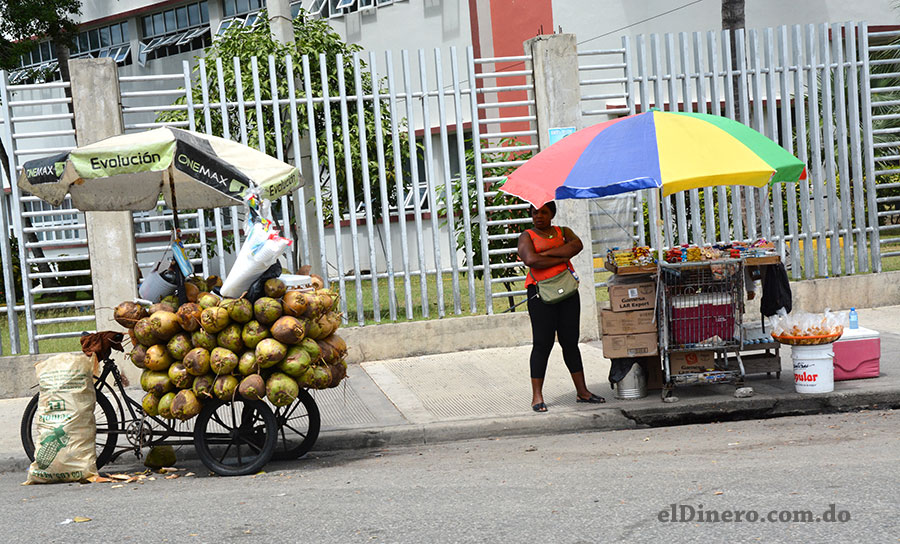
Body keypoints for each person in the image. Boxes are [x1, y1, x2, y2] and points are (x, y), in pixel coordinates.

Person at [517, 201, 605, 412]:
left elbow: (577, 246)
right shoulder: (526, 236)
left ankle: (582, 392)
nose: (539, 216)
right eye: (535, 212)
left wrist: (544, 255)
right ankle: (537, 396)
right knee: (542, 344)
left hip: (567, 292)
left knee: (570, 342)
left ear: (552, 214)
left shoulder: (564, 231)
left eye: (544, 212)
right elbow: (530, 259)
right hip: (540, 295)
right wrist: (560, 256)